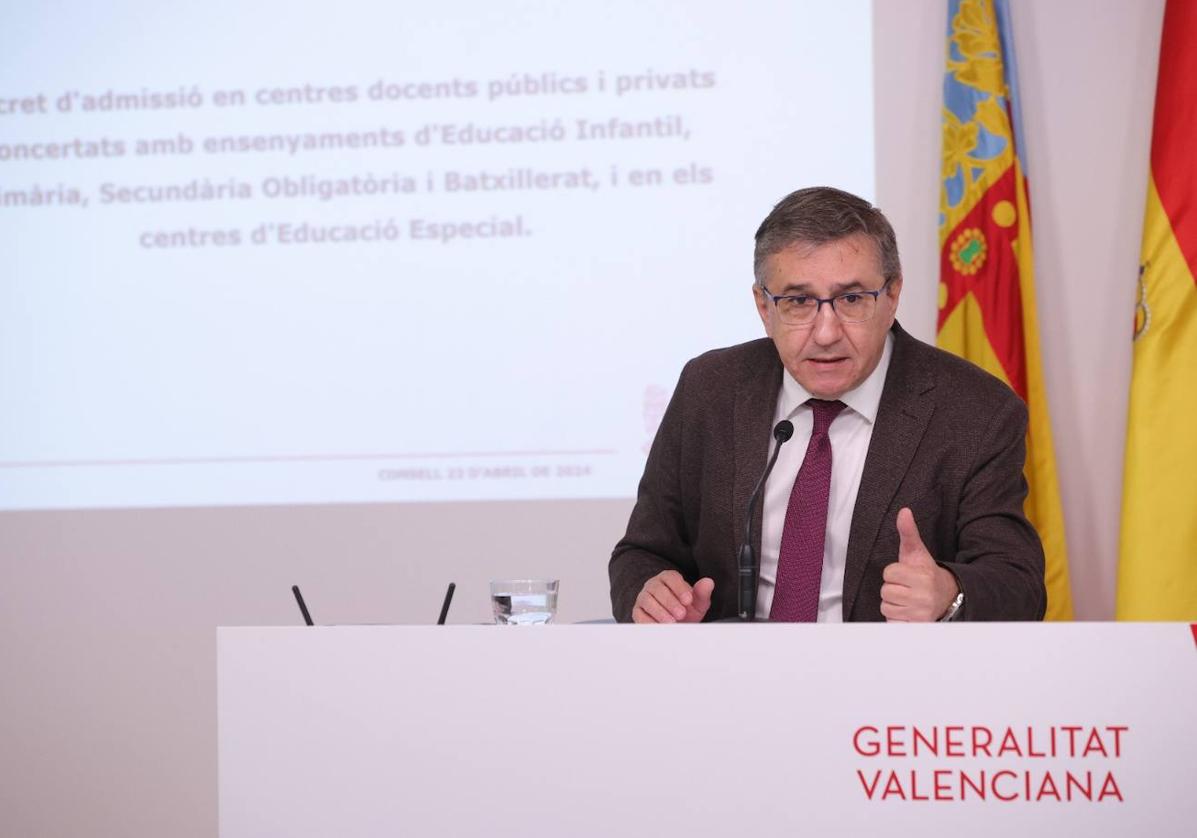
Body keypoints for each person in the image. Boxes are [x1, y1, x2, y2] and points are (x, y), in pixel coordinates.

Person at [609, 186, 1046, 623]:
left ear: (892, 296)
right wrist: (653, 594)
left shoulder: (975, 411)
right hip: (731, 678)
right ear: (764, 306)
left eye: (852, 299)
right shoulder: (711, 389)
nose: (825, 333)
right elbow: (643, 553)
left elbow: (1019, 585)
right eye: (798, 302)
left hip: (890, 682)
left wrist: (949, 594)